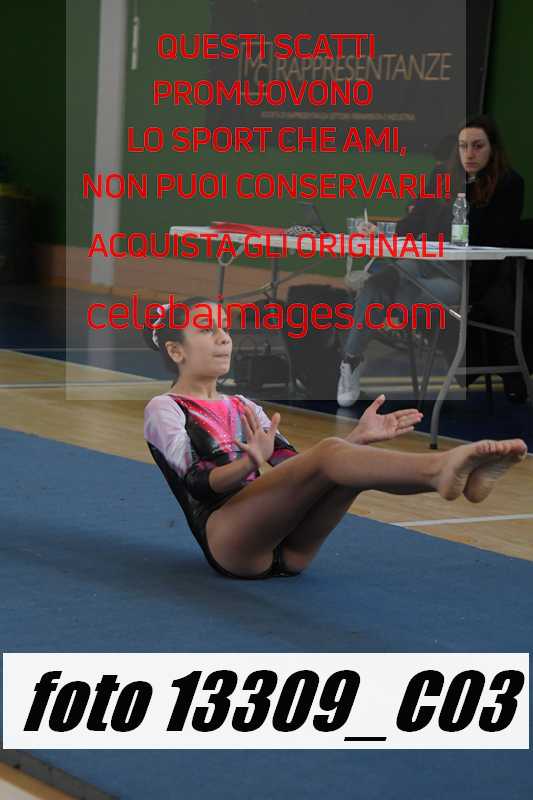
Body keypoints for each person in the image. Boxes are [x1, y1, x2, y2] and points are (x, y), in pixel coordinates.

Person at [143, 297, 527, 580]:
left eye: (225, 328)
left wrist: (357, 440)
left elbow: (296, 468)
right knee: (329, 452)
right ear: (175, 350)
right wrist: (248, 463)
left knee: (343, 471)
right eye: (207, 330)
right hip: (230, 540)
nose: (224, 339)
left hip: (292, 547)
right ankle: (439, 470)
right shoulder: (165, 408)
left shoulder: (243, 405)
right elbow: (198, 485)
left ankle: (456, 476)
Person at [337, 115, 525, 407]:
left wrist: (467, 191)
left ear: (493, 148)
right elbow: (414, 221)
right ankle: (350, 361)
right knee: (380, 283)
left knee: (391, 290)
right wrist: (381, 231)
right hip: (424, 263)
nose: (469, 154)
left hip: (465, 276)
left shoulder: (509, 184)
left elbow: (494, 235)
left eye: (478, 146)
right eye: (463, 146)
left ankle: (364, 344)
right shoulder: (441, 176)